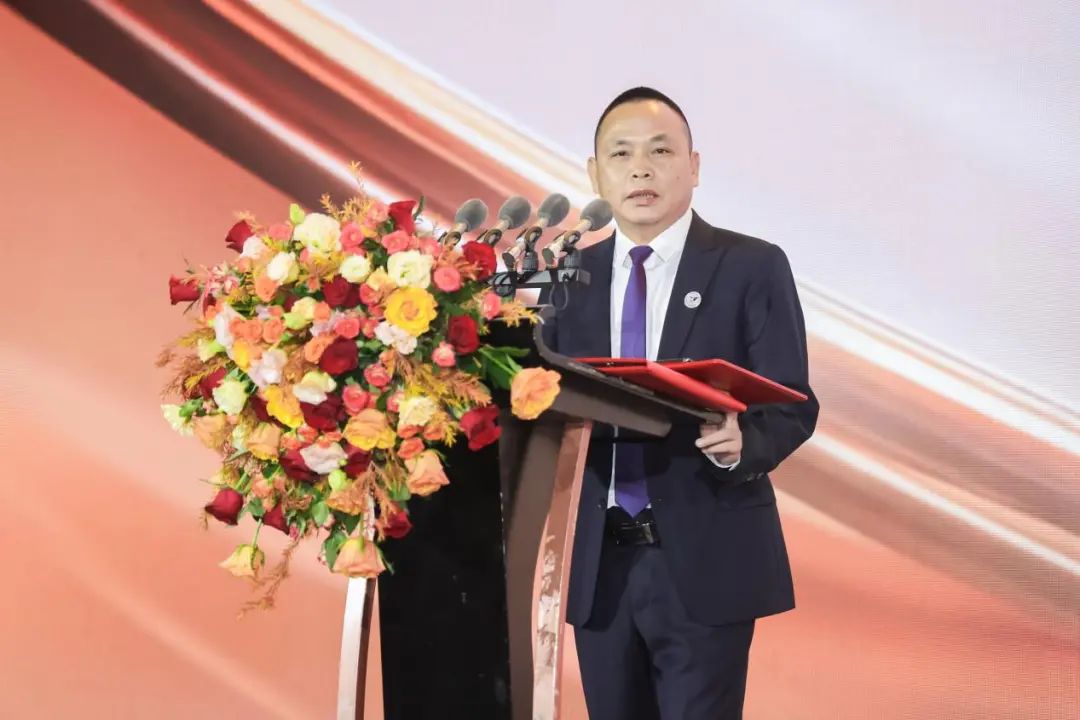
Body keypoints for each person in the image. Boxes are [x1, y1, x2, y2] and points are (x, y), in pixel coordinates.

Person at [541, 87, 820, 719]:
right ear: (596, 175)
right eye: (621, 154)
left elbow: (794, 402)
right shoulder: (567, 278)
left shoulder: (749, 265)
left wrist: (744, 444)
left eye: (660, 151)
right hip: (599, 566)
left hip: (704, 558)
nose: (640, 169)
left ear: (693, 167)